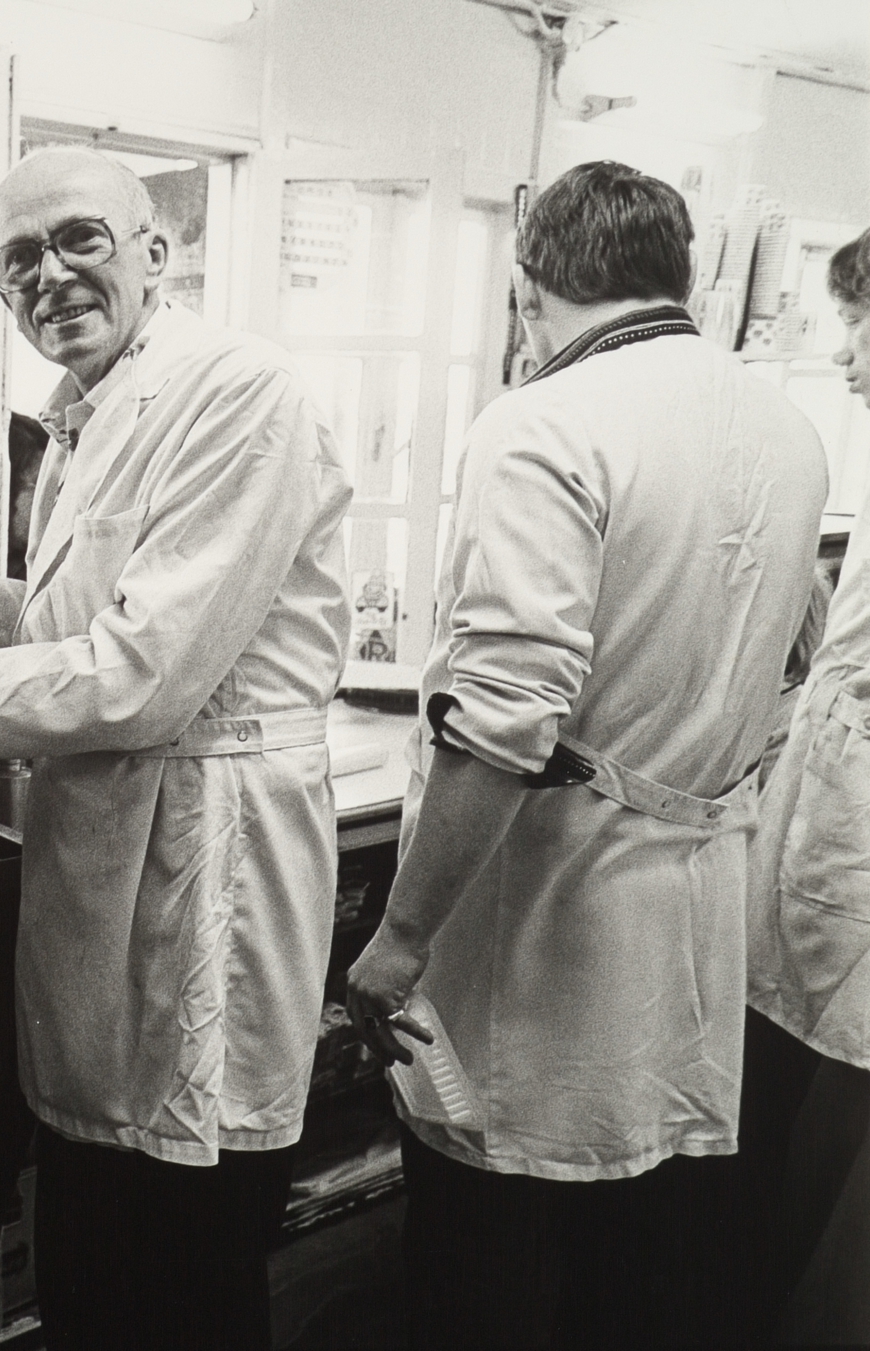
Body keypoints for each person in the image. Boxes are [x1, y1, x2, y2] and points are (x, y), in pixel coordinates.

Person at [0, 146, 352, 1350]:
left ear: (155, 250)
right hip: (109, 869)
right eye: (16, 260)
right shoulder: (91, 413)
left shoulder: (238, 391)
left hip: (203, 869)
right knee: (94, 1269)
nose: (48, 276)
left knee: (179, 1280)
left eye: (77, 239)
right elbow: (93, 621)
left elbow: (143, 672)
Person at [344, 160, 830, 1348]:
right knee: (632, 1264)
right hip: (688, 915)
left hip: (547, 922)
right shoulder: (785, 428)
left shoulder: (541, 420)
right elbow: (786, 655)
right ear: (677, 276)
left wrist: (397, 940)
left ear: (526, 288)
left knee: (483, 1261)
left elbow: (502, 718)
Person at [738, 226, 870, 1344]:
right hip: (826, 817)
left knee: (821, 1162)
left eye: (857, 323)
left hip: (849, 851)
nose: (844, 352)